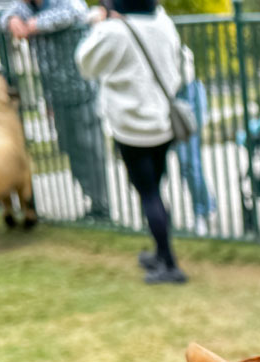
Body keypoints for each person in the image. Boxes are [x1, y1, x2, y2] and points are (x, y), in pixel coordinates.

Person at [77, 0, 190, 283]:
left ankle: (169, 264)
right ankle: (160, 254)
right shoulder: (163, 24)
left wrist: (99, 25)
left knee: (148, 194)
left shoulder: (113, 31)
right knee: (155, 191)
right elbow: (184, 67)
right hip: (162, 123)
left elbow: (85, 64)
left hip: (131, 128)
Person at [0, 0, 111, 220]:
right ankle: (93, 200)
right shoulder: (26, 7)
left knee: (90, 149)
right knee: (69, 147)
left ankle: (101, 206)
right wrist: (11, 19)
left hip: (82, 91)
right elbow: (2, 14)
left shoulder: (63, 3)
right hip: (57, 96)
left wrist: (35, 25)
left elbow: (76, 11)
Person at [174, 74, 214, 236]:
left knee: (190, 163)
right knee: (186, 165)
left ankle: (200, 212)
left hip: (187, 90)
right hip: (167, 94)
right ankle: (207, 205)